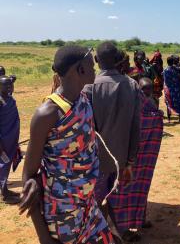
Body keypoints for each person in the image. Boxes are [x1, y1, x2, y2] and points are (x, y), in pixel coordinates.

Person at [20, 45, 114, 243]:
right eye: (91, 64)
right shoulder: (47, 114)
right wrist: (44, 238)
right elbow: (28, 177)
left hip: (88, 206)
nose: (95, 67)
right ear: (80, 69)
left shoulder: (83, 100)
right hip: (63, 216)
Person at [86, 42, 141, 242]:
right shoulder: (132, 85)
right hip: (121, 161)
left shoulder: (90, 87)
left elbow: (86, 129)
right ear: (119, 60)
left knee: (96, 204)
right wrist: (131, 161)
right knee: (115, 202)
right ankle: (116, 234)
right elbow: (136, 128)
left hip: (96, 162)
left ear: (96, 61)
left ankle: (104, 236)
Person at [108, 78, 163, 239]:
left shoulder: (149, 105)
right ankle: (122, 229)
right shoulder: (130, 106)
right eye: (143, 91)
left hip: (142, 158)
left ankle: (140, 218)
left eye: (149, 91)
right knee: (123, 191)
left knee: (142, 186)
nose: (146, 94)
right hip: (127, 159)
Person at [0, 75, 20, 203]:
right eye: (6, 85)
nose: (9, 87)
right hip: (3, 141)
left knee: (6, 165)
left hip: (11, 139)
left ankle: (5, 189)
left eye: (10, 85)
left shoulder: (8, 97)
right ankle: (4, 195)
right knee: (3, 165)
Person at [163, 56, 180, 123]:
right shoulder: (176, 69)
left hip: (168, 89)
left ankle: (169, 119)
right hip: (177, 89)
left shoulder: (165, 70)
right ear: (173, 62)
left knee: (168, 103)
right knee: (179, 103)